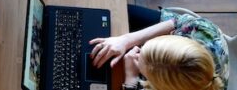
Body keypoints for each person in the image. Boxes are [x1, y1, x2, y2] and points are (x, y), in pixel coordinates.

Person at [89, 5, 229, 90]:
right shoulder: (204, 32)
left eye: (144, 71)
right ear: (174, 37)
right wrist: (126, 40)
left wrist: (131, 80)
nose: (135, 52)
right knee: (118, 11)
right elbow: (176, 22)